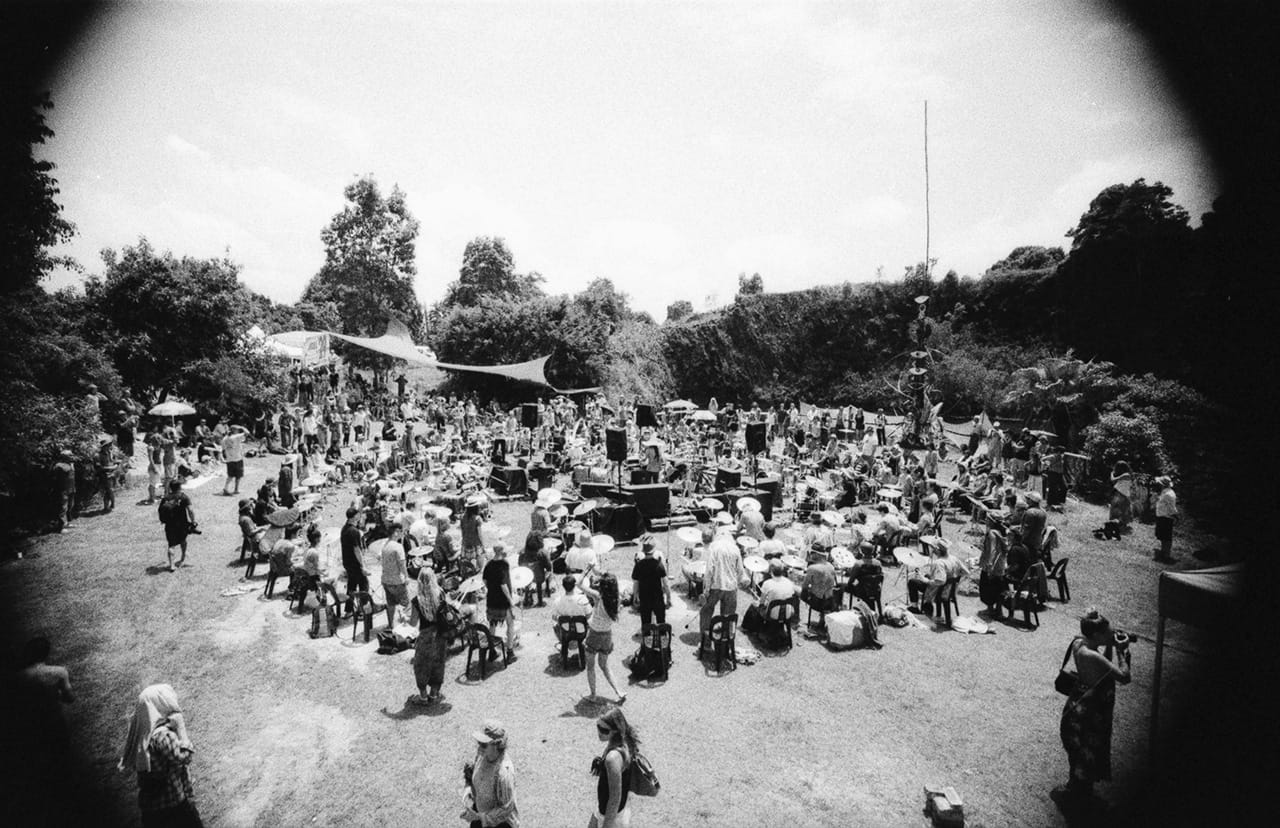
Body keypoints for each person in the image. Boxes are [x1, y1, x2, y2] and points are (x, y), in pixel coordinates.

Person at [1053, 608, 1132, 813]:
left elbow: (1102, 664)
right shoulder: (1091, 655)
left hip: (1077, 705)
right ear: (1096, 635)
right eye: (1106, 634)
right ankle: (1080, 796)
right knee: (1088, 749)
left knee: (1080, 749)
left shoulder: (1081, 644)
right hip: (1089, 712)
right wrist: (1122, 652)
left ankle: (1076, 787)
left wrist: (1109, 644)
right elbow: (1124, 676)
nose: (1110, 636)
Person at [119, 684, 203, 827]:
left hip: (151, 809)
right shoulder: (162, 736)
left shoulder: (143, 735)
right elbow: (185, 757)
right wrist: (181, 728)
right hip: (173, 806)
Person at [409, 566, 454, 706]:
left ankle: (423, 696)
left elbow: (413, 622)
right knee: (438, 663)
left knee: (421, 665)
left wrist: (404, 619)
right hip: (440, 634)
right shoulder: (440, 594)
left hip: (425, 636)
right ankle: (434, 693)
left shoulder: (417, 600)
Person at [462, 720, 519, 828]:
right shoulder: (482, 755)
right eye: (479, 743)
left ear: (497, 744)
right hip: (480, 815)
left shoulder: (503, 773)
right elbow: (477, 780)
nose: (479, 748)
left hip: (500, 824)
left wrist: (479, 817)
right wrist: (469, 788)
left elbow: (506, 808)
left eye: (483, 745)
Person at [581, 573, 626, 704]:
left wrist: (587, 570)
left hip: (594, 634)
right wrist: (597, 571)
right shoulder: (617, 599)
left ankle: (593, 695)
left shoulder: (597, 597)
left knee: (590, 667)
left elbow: (579, 585)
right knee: (605, 665)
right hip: (607, 635)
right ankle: (619, 691)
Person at [590, 708, 638, 828]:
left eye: (604, 730)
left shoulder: (612, 758)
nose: (599, 733)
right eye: (598, 727)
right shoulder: (624, 741)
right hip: (615, 809)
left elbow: (615, 798)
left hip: (611, 817)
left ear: (615, 731)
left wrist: (606, 825)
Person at [699, 525, 746, 639]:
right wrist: (742, 581)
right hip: (731, 587)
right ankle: (726, 641)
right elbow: (740, 570)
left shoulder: (714, 548)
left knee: (706, 611)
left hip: (715, 586)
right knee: (728, 616)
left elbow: (709, 571)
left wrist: (706, 590)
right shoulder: (735, 549)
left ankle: (706, 642)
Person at [907, 538, 969, 613]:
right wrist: (955, 579)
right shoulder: (954, 558)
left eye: (933, 549)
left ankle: (915, 607)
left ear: (937, 550)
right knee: (927, 575)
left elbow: (941, 581)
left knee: (912, 582)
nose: (932, 551)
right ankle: (927, 607)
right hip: (950, 589)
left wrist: (926, 581)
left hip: (940, 591)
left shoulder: (939, 563)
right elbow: (967, 572)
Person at [629, 535, 670, 636]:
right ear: (654, 550)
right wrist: (668, 597)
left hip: (645, 598)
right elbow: (666, 583)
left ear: (643, 551)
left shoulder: (638, 565)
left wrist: (635, 596)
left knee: (646, 624)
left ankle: (646, 646)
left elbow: (636, 583)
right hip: (657, 598)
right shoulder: (658, 565)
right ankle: (663, 644)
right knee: (661, 622)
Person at [482, 543, 518, 654]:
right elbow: (503, 585)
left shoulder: (488, 564)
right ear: (502, 551)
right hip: (503, 601)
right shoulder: (504, 564)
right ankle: (510, 650)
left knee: (492, 624)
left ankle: (492, 650)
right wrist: (511, 600)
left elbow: (484, 581)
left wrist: (492, 589)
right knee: (510, 624)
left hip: (491, 599)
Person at [158, 480, 195, 571]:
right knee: (183, 541)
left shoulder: (165, 498)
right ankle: (182, 558)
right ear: (180, 487)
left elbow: (160, 510)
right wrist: (193, 521)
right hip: (182, 524)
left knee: (171, 545)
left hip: (169, 525)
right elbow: (190, 510)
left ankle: (172, 565)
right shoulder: (183, 497)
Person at [380, 524, 410, 629]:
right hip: (397, 581)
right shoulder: (398, 546)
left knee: (391, 603)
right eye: (401, 531)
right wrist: (406, 577)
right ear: (396, 532)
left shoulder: (385, 545)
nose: (403, 534)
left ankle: (390, 624)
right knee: (406, 604)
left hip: (386, 580)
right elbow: (402, 564)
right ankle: (407, 627)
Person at [800, 548, 839, 624]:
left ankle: (795, 618)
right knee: (822, 589)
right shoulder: (831, 566)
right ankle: (822, 620)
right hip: (830, 601)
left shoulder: (812, 568)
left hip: (817, 603)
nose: (810, 555)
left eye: (812, 553)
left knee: (794, 589)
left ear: (816, 554)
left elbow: (804, 587)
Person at [551, 574, 591, 642]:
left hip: (565, 632)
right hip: (581, 632)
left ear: (563, 586)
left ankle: (564, 642)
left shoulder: (557, 601)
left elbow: (554, 617)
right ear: (575, 586)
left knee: (554, 624)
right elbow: (588, 615)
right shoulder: (583, 599)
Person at [518, 531, 551, 607]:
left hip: (526, 577)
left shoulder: (522, 553)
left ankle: (527, 598)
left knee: (527, 583)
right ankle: (540, 601)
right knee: (546, 574)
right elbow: (548, 567)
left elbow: (519, 564)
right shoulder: (542, 553)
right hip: (539, 577)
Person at [1153, 476, 1178, 562]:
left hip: (1166, 517)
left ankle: (1166, 554)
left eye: (1159, 483)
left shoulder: (1168, 494)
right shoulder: (1165, 492)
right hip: (1162, 516)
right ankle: (1163, 551)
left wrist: (1174, 516)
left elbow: (1172, 507)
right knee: (1163, 536)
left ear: (1163, 485)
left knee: (1167, 537)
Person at [52, 448, 76, 533]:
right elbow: (55, 478)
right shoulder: (59, 465)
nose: (72, 456)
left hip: (71, 488)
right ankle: (61, 527)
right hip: (63, 490)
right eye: (70, 455)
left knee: (70, 506)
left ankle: (68, 522)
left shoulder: (71, 464)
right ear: (64, 457)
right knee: (63, 508)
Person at [220, 424, 248, 496]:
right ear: (234, 430)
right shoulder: (237, 437)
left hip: (229, 459)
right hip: (237, 458)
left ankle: (226, 488)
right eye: (237, 430)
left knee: (230, 475)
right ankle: (236, 489)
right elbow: (247, 433)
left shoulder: (224, 438)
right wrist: (242, 427)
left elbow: (223, 449)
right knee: (238, 475)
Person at [95, 436, 118, 512]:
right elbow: (99, 467)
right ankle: (112, 504)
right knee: (109, 490)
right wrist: (111, 468)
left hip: (112, 474)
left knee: (110, 490)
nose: (109, 447)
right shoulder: (98, 455)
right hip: (105, 475)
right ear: (103, 447)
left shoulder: (110, 453)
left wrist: (116, 465)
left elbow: (113, 461)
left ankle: (108, 506)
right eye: (107, 445)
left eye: (109, 445)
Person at [1109, 460, 1132, 529]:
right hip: (1121, 493)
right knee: (1119, 509)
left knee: (1122, 509)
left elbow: (1113, 480)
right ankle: (1121, 523)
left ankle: (1123, 524)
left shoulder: (1126, 475)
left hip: (1123, 494)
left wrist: (1112, 473)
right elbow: (1115, 483)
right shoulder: (1124, 475)